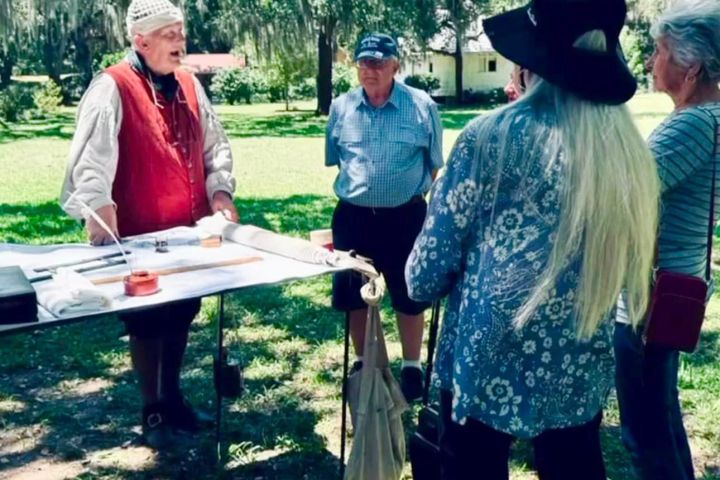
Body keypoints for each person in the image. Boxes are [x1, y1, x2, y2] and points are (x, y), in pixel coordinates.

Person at [405, 0, 660, 478]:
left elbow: (422, 278)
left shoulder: (488, 138)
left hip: (485, 359)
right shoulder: (627, 153)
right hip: (579, 351)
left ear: (530, 62)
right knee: (574, 463)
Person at [60, 0, 239, 449]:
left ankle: (174, 396)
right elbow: (92, 161)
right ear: (141, 40)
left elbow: (215, 147)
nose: (181, 42)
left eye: (182, 33)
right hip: (137, 236)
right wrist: (100, 211)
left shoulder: (191, 85)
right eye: (171, 35)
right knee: (147, 321)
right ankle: (152, 408)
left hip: (189, 231)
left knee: (182, 313)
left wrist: (221, 192)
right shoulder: (112, 87)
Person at [614, 1, 720, 479]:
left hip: (648, 301)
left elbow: (620, 193)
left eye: (659, 51)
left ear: (691, 67)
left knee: (647, 433)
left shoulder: (694, 123)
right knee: (662, 420)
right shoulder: (707, 118)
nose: (651, 62)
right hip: (666, 290)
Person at [325, 32, 444, 402]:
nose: (369, 70)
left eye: (378, 62)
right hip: (353, 218)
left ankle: (411, 367)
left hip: (405, 218)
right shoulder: (341, 107)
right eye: (363, 62)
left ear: (396, 64)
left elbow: (434, 165)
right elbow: (337, 159)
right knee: (354, 296)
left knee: (409, 295)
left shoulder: (422, 106)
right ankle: (365, 362)